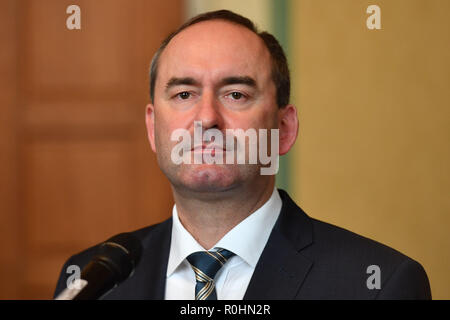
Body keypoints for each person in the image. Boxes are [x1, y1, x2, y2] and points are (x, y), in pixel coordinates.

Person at [54, 10, 431, 300]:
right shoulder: (92, 279)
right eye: (184, 94)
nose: (206, 118)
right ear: (154, 129)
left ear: (284, 129)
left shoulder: (376, 283)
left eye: (236, 94)